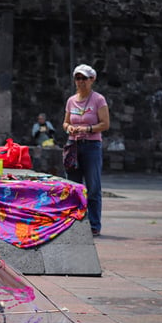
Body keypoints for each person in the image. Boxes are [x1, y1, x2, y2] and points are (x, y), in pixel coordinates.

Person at [62, 63, 110, 236]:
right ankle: (74, 222)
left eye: (84, 78)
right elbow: (65, 122)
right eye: (78, 78)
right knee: (73, 187)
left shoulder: (98, 99)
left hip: (91, 146)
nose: (80, 81)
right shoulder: (71, 100)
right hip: (73, 145)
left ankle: (94, 224)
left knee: (93, 187)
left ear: (92, 79)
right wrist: (69, 128)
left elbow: (105, 124)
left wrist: (87, 129)